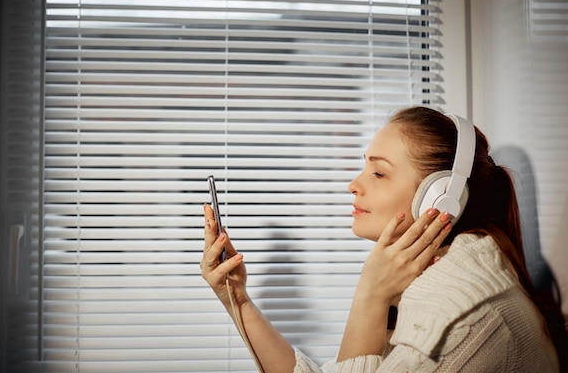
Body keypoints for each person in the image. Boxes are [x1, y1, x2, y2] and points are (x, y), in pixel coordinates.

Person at [200, 106, 566, 373]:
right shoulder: (435, 277)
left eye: (378, 172)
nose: (353, 185)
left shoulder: (461, 315)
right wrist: (237, 299)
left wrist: (370, 295)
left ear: (440, 197)